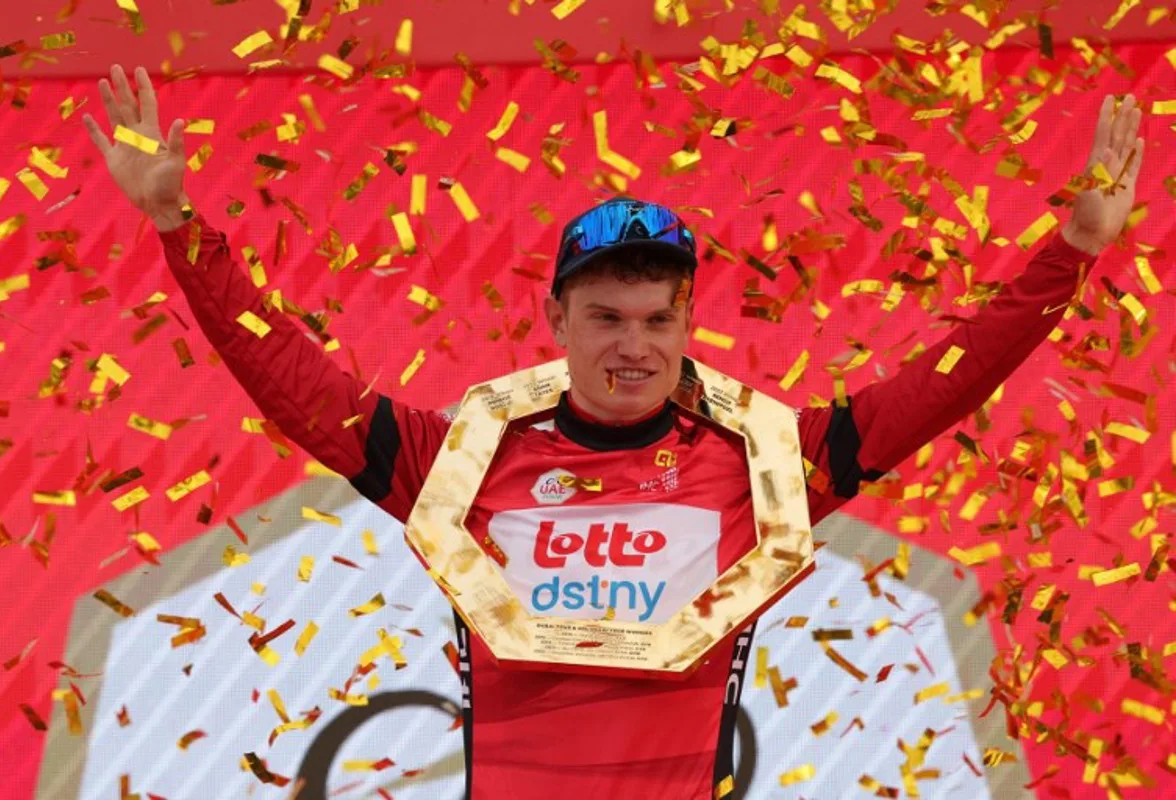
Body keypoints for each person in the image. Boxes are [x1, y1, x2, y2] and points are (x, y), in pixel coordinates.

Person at [84, 64, 1143, 800]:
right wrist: (181, 230)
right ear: (557, 321)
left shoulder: (762, 462)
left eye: (656, 318)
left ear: (688, 322)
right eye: (606, 316)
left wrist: (1073, 252)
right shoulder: (461, 456)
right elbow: (295, 384)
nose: (632, 344)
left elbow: (937, 387)